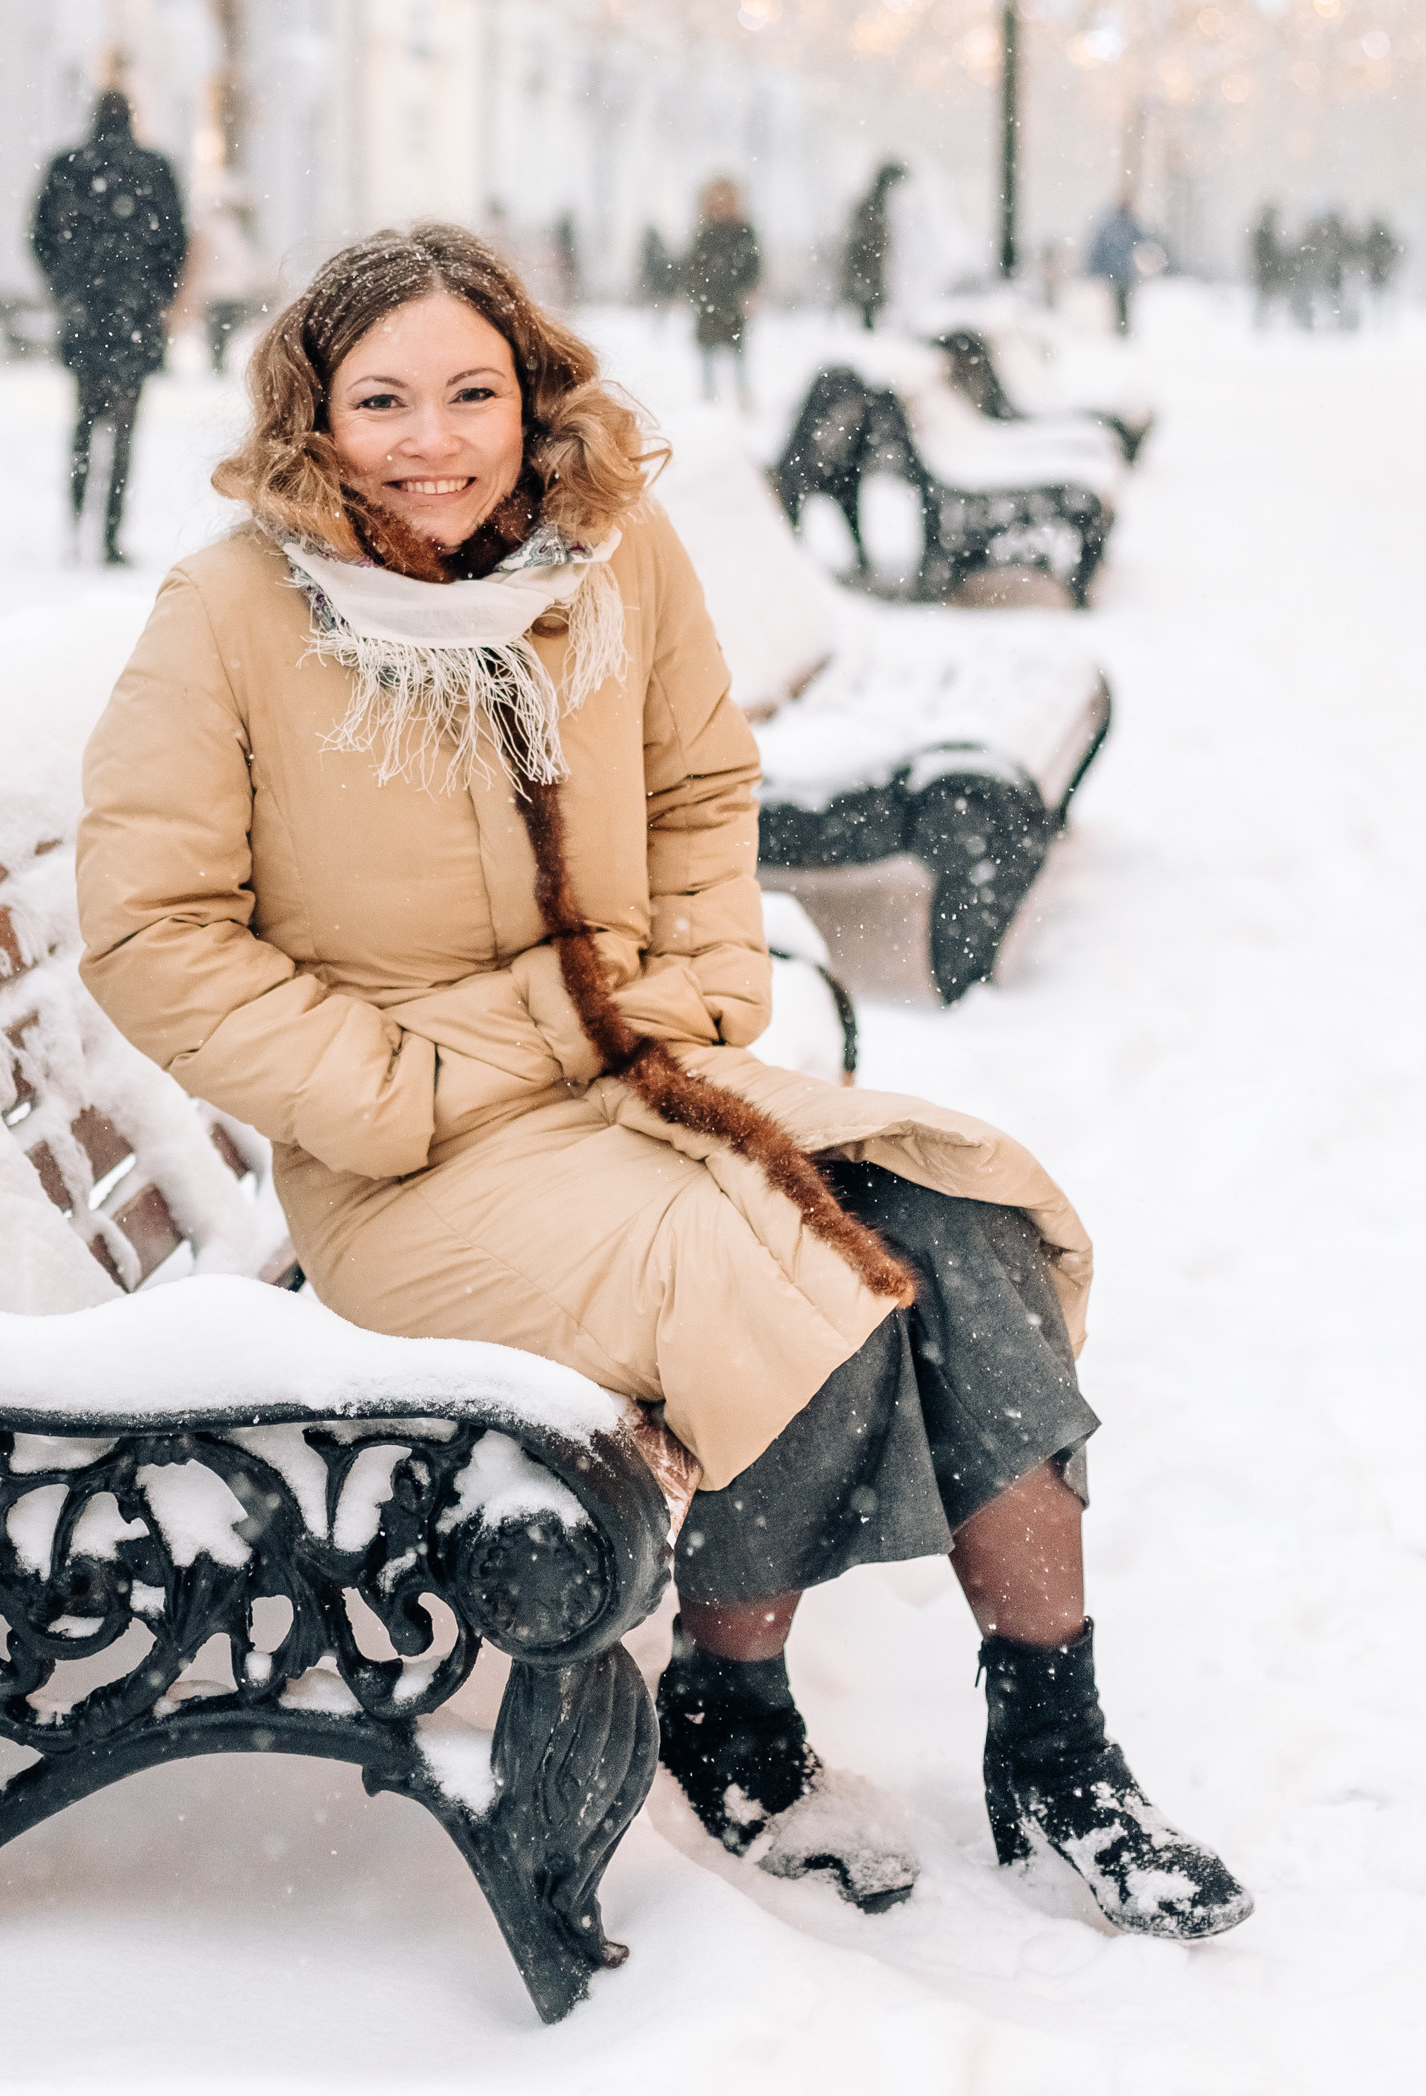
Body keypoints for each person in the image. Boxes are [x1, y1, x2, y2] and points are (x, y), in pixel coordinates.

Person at [78, 222, 1251, 1943]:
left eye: (472, 390)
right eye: (384, 398)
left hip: (641, 1074)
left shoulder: (615, 556)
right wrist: (391, 1089)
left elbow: (705, 785)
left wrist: (706, 981)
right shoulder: (234, 616)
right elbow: (152, 932)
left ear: (529, 387)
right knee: (777, 1275)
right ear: (313, 415)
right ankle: (733, 1707)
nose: (436, 438)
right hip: (416, 1167)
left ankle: (1058, 1747)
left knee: (957, 1205)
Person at [30, 80, 187, 563]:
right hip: (134, 317)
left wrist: (66, 288)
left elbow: (40, 236)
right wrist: (156, 294)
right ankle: (110, 534)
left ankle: (76, 524)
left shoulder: (67, 168)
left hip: (86, 314)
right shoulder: (155, 170)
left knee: (82, 420)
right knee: (123, 426)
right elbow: (175, 244)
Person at [684, 176, 762, 404]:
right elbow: (693, 266)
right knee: (707, 349)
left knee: (738, 348)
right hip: (708, 299)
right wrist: (695, 292)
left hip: (733, 300)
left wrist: (750, 292)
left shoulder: (744, 230)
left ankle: (742, 393)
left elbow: (753, 264)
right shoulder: (704, 231)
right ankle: (708, 397)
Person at [189, 183, 266, 376]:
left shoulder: (216, 227)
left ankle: (217, 360)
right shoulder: (230, 228)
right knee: (221, 330)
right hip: (226, 290)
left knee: (219, 330)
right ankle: (218, 360)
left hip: (222, 290)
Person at [839, 161, 905, 330]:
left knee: (870, 309)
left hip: (870, 267)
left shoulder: (875, 205)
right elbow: (864, 240)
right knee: (868, 309)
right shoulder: (872, 207)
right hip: (868, 266)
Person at [1085, 196, 1158, 336]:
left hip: (1122, 271)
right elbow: (1100, 248)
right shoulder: (1114, 226)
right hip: (1117, 270)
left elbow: (1142, 239)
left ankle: (1122, 329)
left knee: (1122, 300)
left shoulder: (1125, 225)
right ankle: (1120, 329)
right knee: (1118, 301)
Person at [1250, 204, 1290, 329]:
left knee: (1265, 304)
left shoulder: (1265, 234)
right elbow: (1266, 256)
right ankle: (1261, 327)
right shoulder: (1265, 235)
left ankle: (1263, 327)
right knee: (1264, 304)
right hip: (1266, 274)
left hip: (1266, 274)